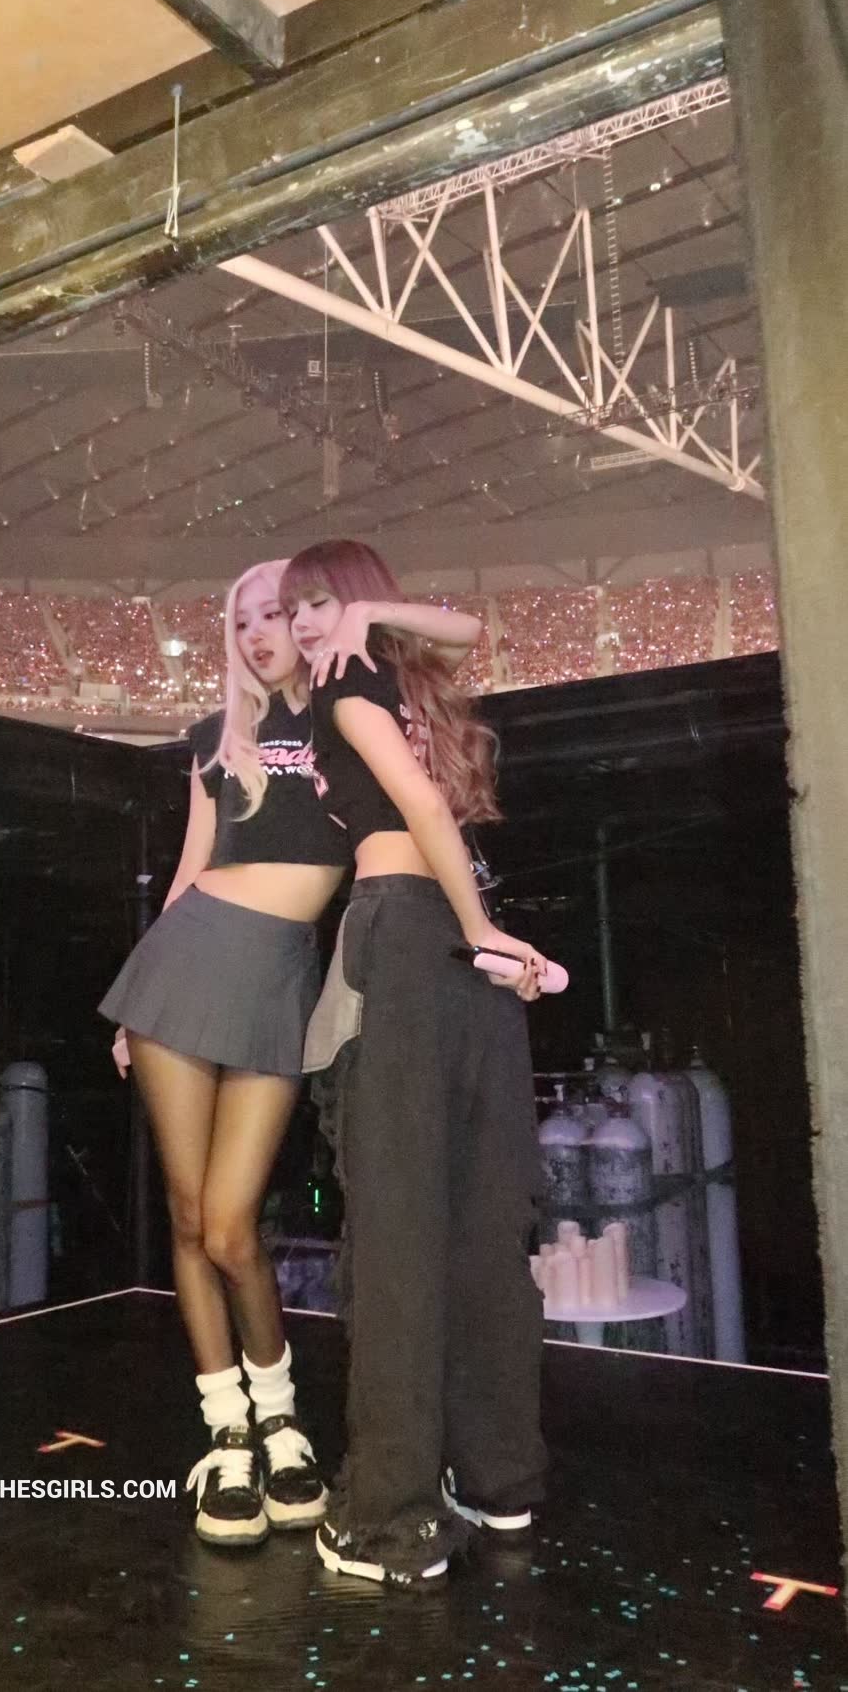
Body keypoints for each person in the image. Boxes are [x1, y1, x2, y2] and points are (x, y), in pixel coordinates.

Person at [99, 559, 482, 1550]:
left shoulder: (347, 704)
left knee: (232, 1224)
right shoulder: (212, 738)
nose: (261, 632)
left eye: (275, 612)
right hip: (181, 968)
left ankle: (282, 1414)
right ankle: (231, 1434)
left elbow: (464, 632)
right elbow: (188, 870)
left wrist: (366, 611)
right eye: (243, 620)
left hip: (277, 980)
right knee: (190, 1216)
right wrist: (133, 1006)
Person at [281, 538, 549, 1590]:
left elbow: (422, 812)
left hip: (406, 938)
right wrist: (489, 943)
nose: (303, 624)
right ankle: (497, 1478)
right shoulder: (406, 690)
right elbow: (467, 630)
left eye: (318, 602)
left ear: (356, 604)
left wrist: (483, 933)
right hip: (455, 954)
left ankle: (387, 1519)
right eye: (293, 610)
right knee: (483, 1223)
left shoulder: (346, 686)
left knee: (398, 1231)